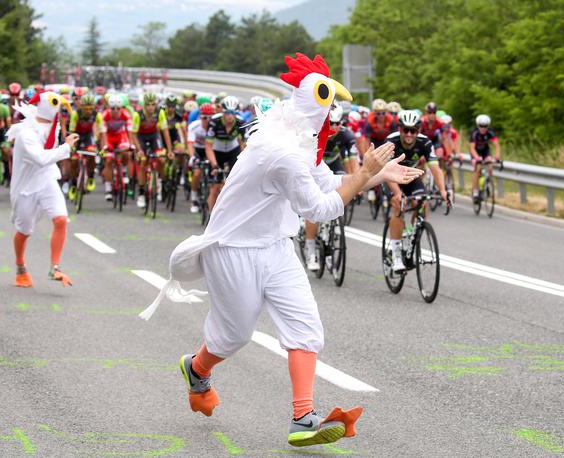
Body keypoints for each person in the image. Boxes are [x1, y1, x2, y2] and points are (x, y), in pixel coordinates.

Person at [140, 53, 423, 448]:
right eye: (328, 108)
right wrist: (364, 173)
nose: (330, 120)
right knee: (234, 335)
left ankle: (302, 418)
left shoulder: (299, 140)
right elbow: (320, 208)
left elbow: (328, 183)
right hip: (232, 249)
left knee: (306, 328)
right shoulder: (282, 151)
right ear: (318, 108)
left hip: (275, 246)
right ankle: (197, 367)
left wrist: (375, 174)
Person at [6, 91, 77, 288]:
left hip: (46, 179)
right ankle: (20, 267)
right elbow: (41, 158)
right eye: (57, 105)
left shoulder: (52, 127)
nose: (60, 111)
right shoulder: (26, 134)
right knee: (24, 231)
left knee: (61, 219)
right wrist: (66, 147)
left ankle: (55, 267)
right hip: (25, 188)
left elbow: (47, 160)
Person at [385, 110, 448, 273]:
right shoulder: (391, 141)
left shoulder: (425, 142)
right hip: (391, 177)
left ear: (418, 131)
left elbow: (435, 168)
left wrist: (443, 191)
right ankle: (397, 254)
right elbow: (385, 171)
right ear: (399, 129)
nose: (409, 134)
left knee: (422, 202)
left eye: (413, 130)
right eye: (405, 129)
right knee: (398, 205)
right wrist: (398, 193)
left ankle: (412, 233)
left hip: (411, 177)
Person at [303, 103, 359, 271]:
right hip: (316, 165)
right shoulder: (316, 131)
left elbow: (352, 160)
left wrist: (358, 181)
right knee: (314, 206)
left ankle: (328, 229)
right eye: (331, 123)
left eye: (337, 123)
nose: (334, 127)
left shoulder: (347, 135)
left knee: (343, 186)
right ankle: (311, 250)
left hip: (333, 164)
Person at [204, 95, 246, 211]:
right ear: (222, 112)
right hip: (216, 152)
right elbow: (208, 146)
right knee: (215, 186)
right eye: (227, 113)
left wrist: (242, 162)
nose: (230, 117)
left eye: (233, 113)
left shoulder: (240, 122)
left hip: (233, 151)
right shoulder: (214, 121)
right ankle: (211, 217)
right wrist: (214, 164)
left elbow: (243, 145)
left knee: (232, 184)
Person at [187, 103, 215, 213]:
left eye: (210, 117)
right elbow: (190, 143)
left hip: (211, 150)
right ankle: (194, 199)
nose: (207, 120)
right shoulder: (194, 126)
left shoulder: (215, 126)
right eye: (204, 117)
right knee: (197, 173)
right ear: (200, 117)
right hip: (197, 150)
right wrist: (192, 157)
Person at [469, 114, 500, 201]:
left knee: (490, 166)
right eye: (481, 126)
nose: (483, 128)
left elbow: (496, 145)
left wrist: (497, 156)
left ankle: (487, 184)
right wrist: (477, 158)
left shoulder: (490, 132)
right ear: (478, 126)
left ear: (488, 126)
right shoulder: (474, 132)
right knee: (478, 168)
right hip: (475, 152)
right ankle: (475, 191)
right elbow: (471, 148)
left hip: (485, 151)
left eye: (485, 126)